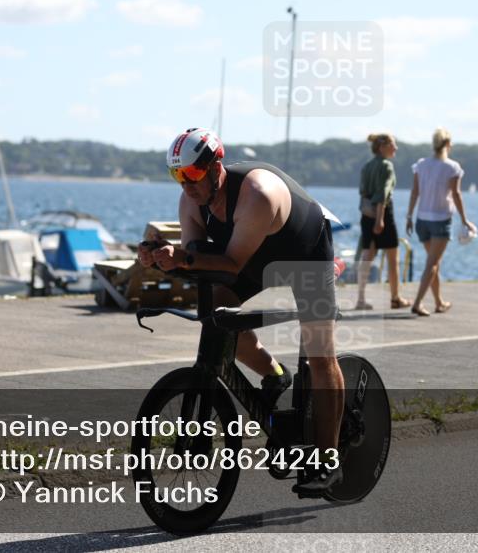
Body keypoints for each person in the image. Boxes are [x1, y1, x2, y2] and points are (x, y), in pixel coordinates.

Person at [137, 127, 343, 496]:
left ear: (215, 165)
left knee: (319, 354)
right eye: (177, 176)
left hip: (304, 254)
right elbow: (199, 260)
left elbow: (229, 263)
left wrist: (182, 258)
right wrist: (160, 259)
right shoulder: (190, 202)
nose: (186, 185)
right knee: (215, 311)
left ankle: (329, 461)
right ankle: (274, 374)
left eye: (193, 174)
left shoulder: (256, 194)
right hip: (251, 254)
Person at [405, 127, 476, 316]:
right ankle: (418, 303)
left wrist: (409, 216)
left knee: (433, 262)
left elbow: (415, 192)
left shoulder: (421, 164)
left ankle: (439, 302)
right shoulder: (451, 167)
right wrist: (464, 220)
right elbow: (456, 194)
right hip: (440, 220)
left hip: (422, 220)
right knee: (432, 264)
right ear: (446, 144)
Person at [354, 133, 410, 310]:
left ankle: (360, 299)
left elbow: (363, 192)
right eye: (393, 144)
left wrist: (371, 217)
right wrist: (380, 219)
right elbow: (383, 194)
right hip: (382, 213)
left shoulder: (367, 166)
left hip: (366, 214)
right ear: (382, 147)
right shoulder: (386, 166)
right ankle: (395, 297)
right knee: (393, 258)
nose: (396, 148)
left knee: (366, 256)